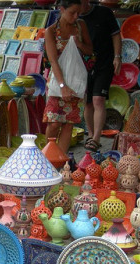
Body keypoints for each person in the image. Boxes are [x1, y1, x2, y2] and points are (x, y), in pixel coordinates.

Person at [43, 0, 93, 154]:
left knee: (69, 124)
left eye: (79, 13)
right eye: (72, 13)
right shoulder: (51, 31)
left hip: (77, 82)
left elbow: (90, 50)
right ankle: (48, 157)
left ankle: (60, 160)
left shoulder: (80, 26)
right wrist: (63, 86)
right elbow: (53, 61)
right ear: (62, 9)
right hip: (57, 82)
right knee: (54, 124)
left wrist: (78, 44)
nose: (76, 16)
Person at [80, 0, 122, 152]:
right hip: (84, 65)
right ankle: (91, 135)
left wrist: (117, 56)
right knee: (88, 102)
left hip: (104, 63)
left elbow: (116, 35)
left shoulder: (104, 12)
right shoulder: (75, 17)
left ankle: (96, 138)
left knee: (98, 99)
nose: (79, 8)